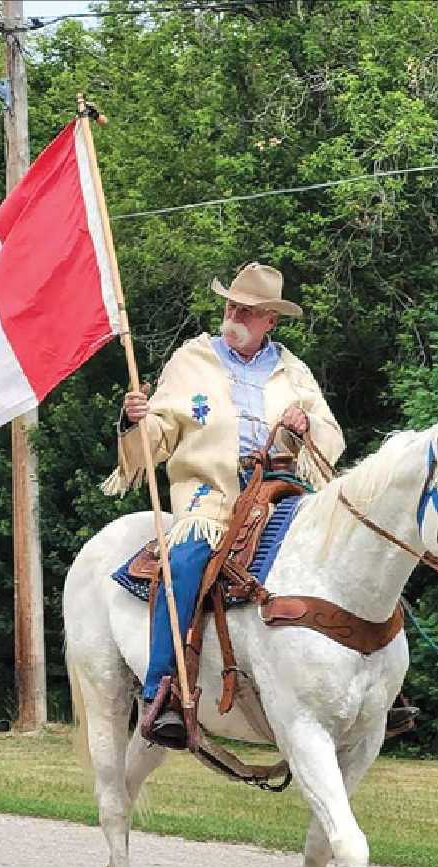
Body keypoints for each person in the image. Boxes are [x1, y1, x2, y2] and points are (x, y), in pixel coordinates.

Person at [109, 263, 345, 748]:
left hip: (279, 490)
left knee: (344, 545)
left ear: (270, 322)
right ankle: (164, 690)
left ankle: (376, 685)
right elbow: (158, 439)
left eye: (248, 310)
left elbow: (332, 437)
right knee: (186, 556)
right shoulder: (191, 359)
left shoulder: (293, 371)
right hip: (209, 494)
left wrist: (306, 426)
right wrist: (134, 421)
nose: (234, 314)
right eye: (232, 304)